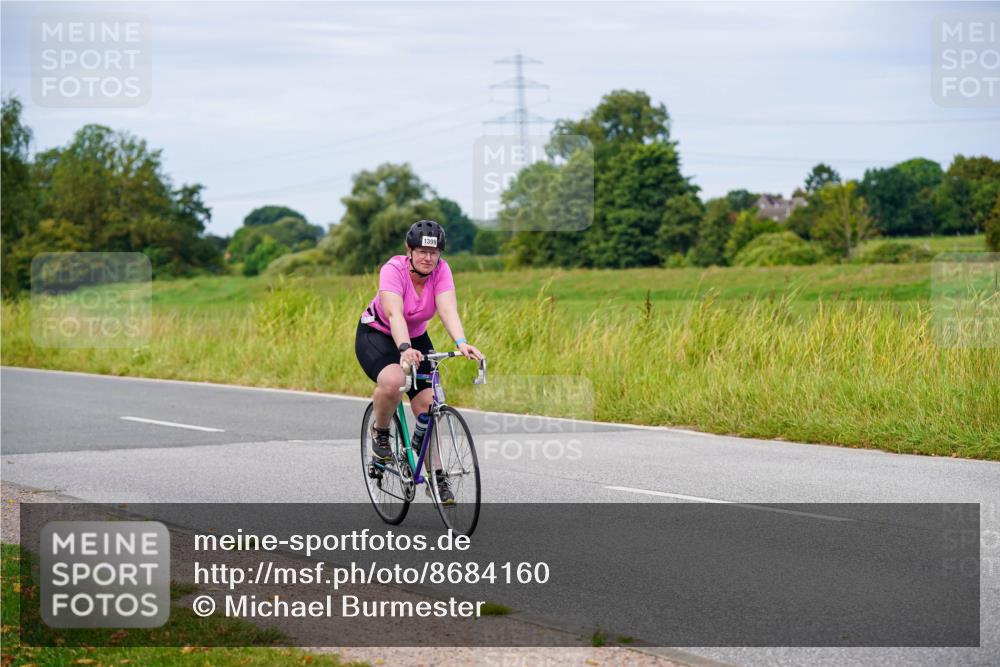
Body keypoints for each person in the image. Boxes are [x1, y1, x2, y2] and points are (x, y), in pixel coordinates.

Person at [354, 220, 484, 504]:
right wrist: (403, 348)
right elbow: (394, 314)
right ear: (409, 251)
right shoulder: (392, 270)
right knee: (394, 382)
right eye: (422, 252)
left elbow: (448, 310)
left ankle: (436, 477)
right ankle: (381, 432)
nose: (428, 258)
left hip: (416, 337)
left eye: (434, 252)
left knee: (428, 403)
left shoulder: (442, 271)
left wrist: (461, 343)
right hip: (378, 334)